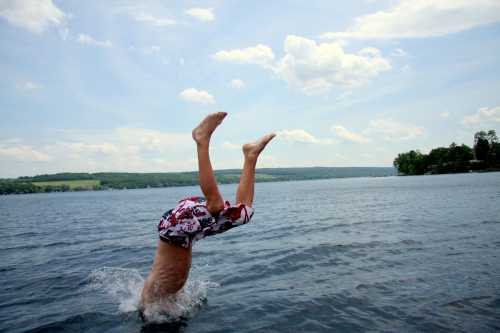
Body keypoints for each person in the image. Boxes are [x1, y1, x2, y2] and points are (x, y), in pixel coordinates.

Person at [140, 112, 275, 318]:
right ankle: (251, 156)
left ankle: (201, 139)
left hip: (173, 228)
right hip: (183, 233)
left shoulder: (150, 306)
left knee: (215, 204)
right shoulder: (164, 299)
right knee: (243, 213)